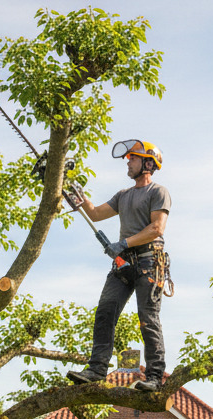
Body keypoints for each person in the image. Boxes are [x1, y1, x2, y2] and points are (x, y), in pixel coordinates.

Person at [65, 139, 170, 393]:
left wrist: (123, 242)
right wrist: (75, 192)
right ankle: (96, 370)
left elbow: (156, 228)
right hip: (124, 264)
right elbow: (95, 213)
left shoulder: (158, 192)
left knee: (148, 319)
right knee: (105, 312)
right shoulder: (123, 195)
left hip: (148, 261)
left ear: (147, 163)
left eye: (132, 158)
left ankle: (155, 376)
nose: (128, 162)